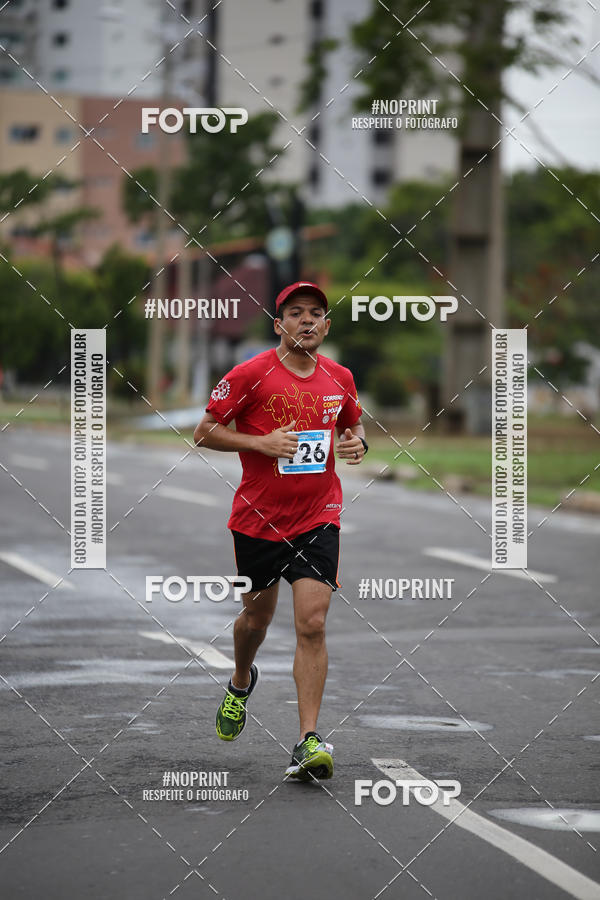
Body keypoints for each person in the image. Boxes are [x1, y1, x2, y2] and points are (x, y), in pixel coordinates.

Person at [193, 281, 367, 781]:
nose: (307, 321)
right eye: (296, 313)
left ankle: (307, 739)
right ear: (279, 324)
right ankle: (241, 680)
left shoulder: (340, 377)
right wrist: (261, 442)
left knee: (312, 623)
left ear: (326, 326)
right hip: (258, 521)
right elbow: (204, 431)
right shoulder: (251, 374)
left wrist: (357, 447)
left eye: (316, 313)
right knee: (255, 621)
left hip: (319, 517)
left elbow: (351, 429)